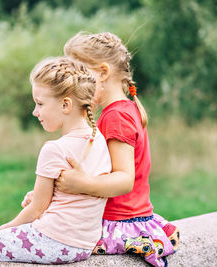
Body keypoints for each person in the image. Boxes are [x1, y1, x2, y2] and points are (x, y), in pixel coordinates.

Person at [22, 32, 179, 267]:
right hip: (123, 216)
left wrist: (80, 184)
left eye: (80, 73)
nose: (73, 83)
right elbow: (97, 172)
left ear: (103, 73)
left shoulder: (116, 117)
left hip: (118, 223)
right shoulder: (120, 111)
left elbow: (125, 180)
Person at [0, 56, 112, 265]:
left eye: (40, 103)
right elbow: (79, 194)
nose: (35, 112)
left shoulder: (54, 149)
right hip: (85, 243)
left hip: (55, 238)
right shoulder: (97, 138)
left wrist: (7, 228)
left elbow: (37, 209)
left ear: (65, 104)